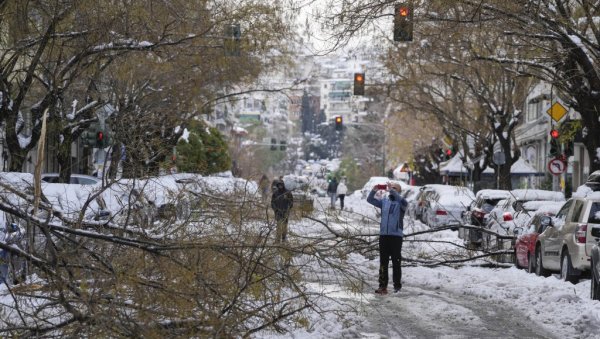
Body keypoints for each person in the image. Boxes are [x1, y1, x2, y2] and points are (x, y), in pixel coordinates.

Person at [366, 182, 408, 295]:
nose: (391, 189)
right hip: (384, 235)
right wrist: (374, 190)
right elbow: (370, 200)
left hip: (396, 236)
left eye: (395, 188)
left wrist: (391, 189)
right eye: (391, 187)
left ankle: (397, 287)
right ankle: (382, 286)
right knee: (383, 262)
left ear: (398, 191)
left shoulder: (402, 203)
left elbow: (402, 200)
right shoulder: (385, 202)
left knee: (396, 262)